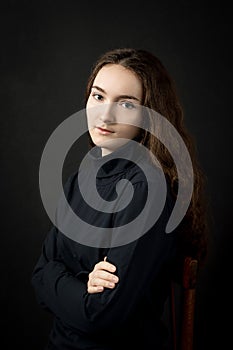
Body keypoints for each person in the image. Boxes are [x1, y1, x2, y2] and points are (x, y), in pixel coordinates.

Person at [31, 48, 209, 349]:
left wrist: (59, 276)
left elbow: (98, 314)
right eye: (98, 96)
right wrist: (83, 282)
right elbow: (38, 275)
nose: (105, 115)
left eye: (126, 104)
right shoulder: (81, 178)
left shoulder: (148, 190)